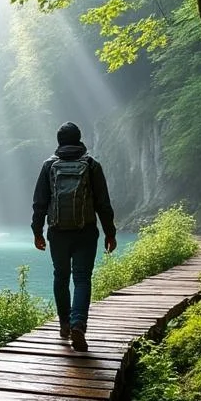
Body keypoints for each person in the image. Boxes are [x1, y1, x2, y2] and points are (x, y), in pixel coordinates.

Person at [31, 122, 117, 352]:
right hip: (86, 231)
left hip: (58, 233)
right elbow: (103, 203)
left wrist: (37, 231)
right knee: (81, 278)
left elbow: (40, 203)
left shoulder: (49, 165)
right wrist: (110, 232)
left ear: (59, 142)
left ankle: (65, 324)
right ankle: (79, 324)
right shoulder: (91, 165)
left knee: (61, 276)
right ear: (79, 140)